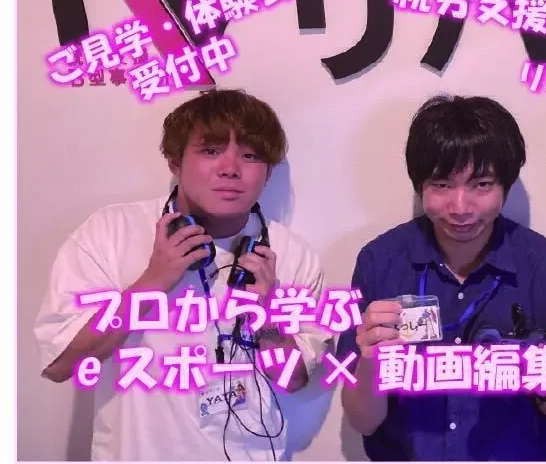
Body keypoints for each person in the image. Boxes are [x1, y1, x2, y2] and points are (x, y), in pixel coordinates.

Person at [34, 89, 331, 461]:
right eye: (211, 150)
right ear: (175, 161)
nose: (230, 168)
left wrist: (266, 317)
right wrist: (153, 281)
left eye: (250, 155)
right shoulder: (110, 232)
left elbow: (293, 380)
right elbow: (62, 364)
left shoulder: (291, 253)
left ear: (267, 171)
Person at [337, 95, 546, 461]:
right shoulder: (380, 262)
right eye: (442, 185)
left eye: (481, 184)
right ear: (420, 185)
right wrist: (371, 360)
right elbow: (364, 421)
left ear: (505, 185)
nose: (461, 207)